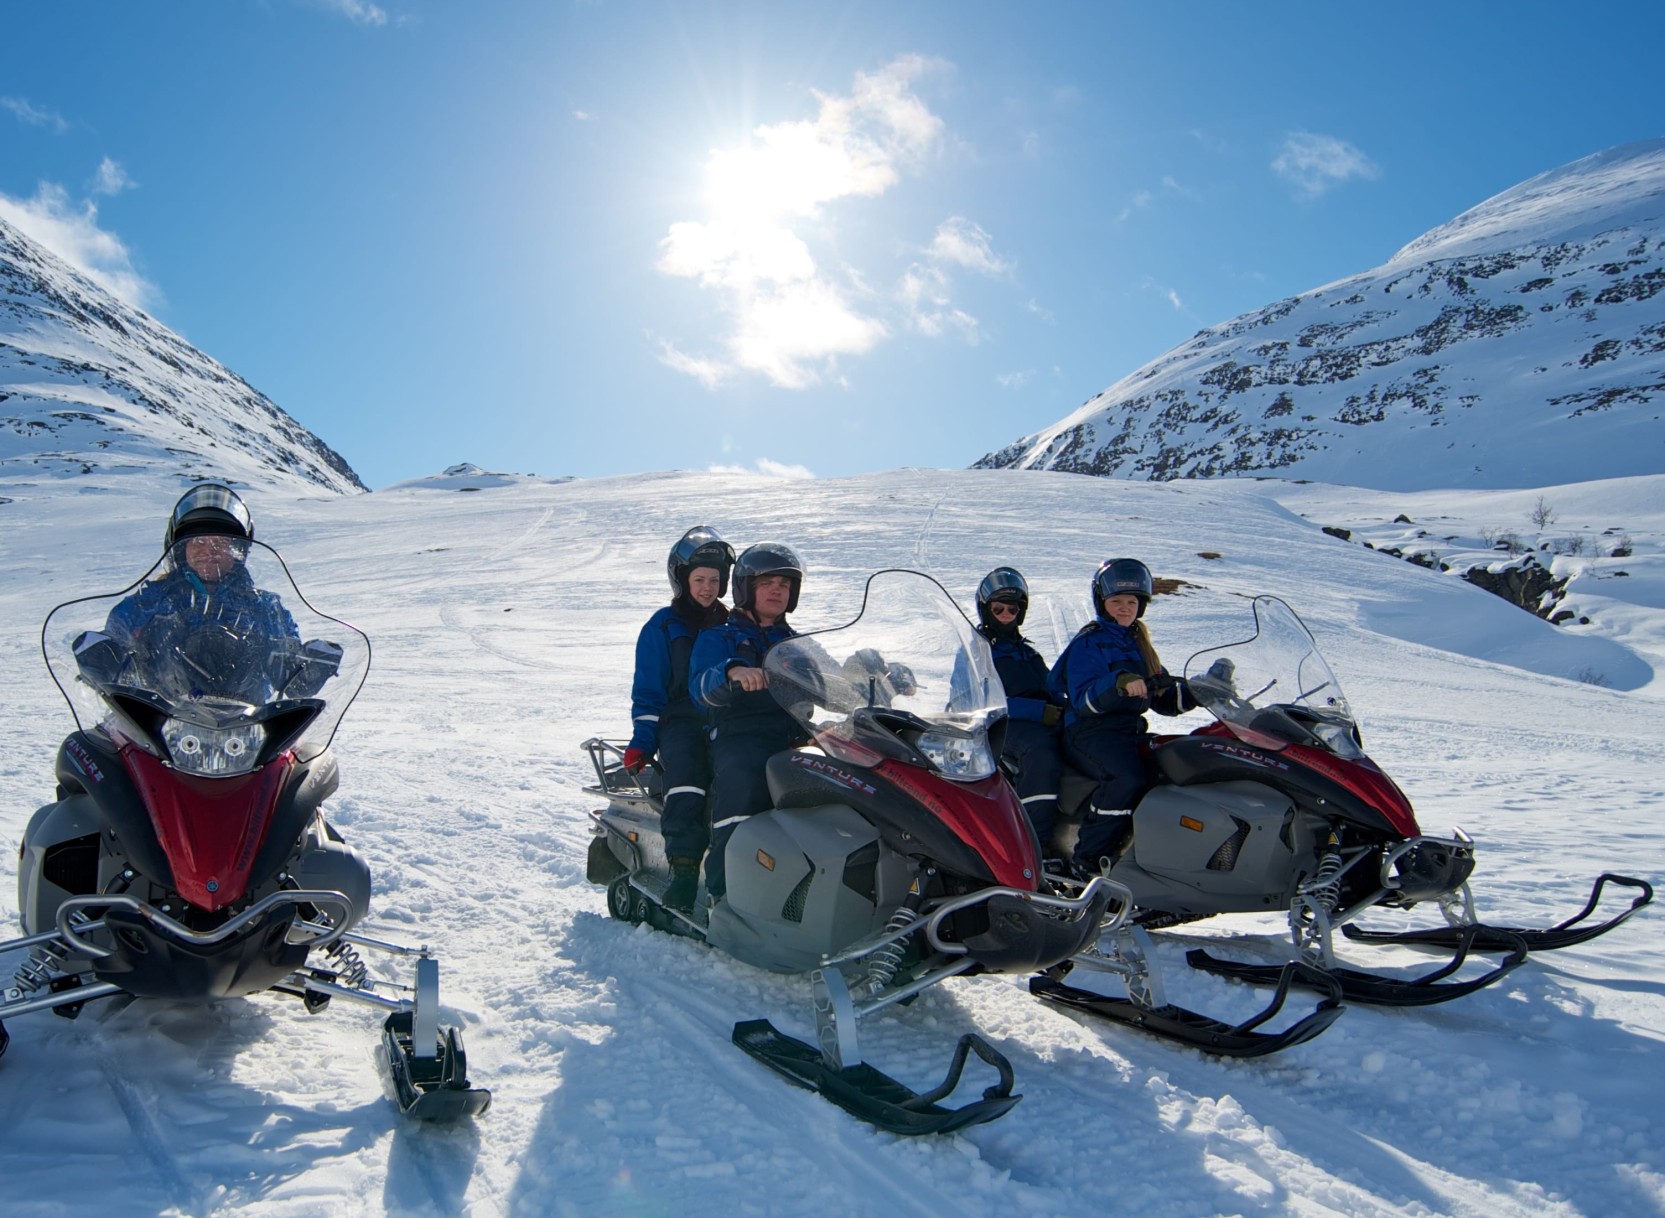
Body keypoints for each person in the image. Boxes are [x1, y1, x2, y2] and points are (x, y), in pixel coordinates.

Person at [98, 484, 338, 702]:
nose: (209, 551)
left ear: (238, 552)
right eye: (198, 541)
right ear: (181, 550)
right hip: (157, 724)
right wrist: (100, 654)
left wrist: (309, 667)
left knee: (310, 752)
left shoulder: (264, 607)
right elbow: (117, 640)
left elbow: (288, 669)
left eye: (220, 543)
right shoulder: (148, 602)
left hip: (247, 729)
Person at [1049, 558, 1195, 871]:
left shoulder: (1139, 645)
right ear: (1102, 603)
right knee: (1124, 777)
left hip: (1128, 732)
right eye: (1117, 601)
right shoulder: (1089, 642)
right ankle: (1087, 857)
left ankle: (1151, 856)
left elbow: (1166, 700)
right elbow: (1083, 699)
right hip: (1089, 733)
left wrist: (1201, 690)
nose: (1125, 608)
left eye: (1132, 602)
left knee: (1172, 764)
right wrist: (1117, 685)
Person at [688, 542, 811, 903]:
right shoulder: (719, 636)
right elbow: (700, 687)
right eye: (766, 583)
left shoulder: (796, 644)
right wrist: (732, 672)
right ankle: (723, 894)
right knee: (745, 779)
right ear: (745, 588)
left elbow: (829, 684)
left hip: (794, 735)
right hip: (738, 734)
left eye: (784, 585)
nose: (777, 590)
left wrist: (868, 675)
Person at [623, 526, 736, 912]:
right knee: (688, 773)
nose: (707, 588)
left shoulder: (733, 624)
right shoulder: (663, 625)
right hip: (681, 719)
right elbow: (649, 688)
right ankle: (685, 868)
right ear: (682, 581)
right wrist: (643, 738)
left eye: (715, 580)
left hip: (728, 718)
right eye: (700, 579)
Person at [972, 567, 1068, 853]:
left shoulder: (1028, 652)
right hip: (1000, 726)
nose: (1005, 613)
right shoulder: (978, 650)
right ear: (985, 610)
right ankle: (1035, 844)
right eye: (997, 608)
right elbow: (980, 699)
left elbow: (1051, 687)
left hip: (1038, 721)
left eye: (1011, 608)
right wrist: (1040, 712)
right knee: (1041, 753)